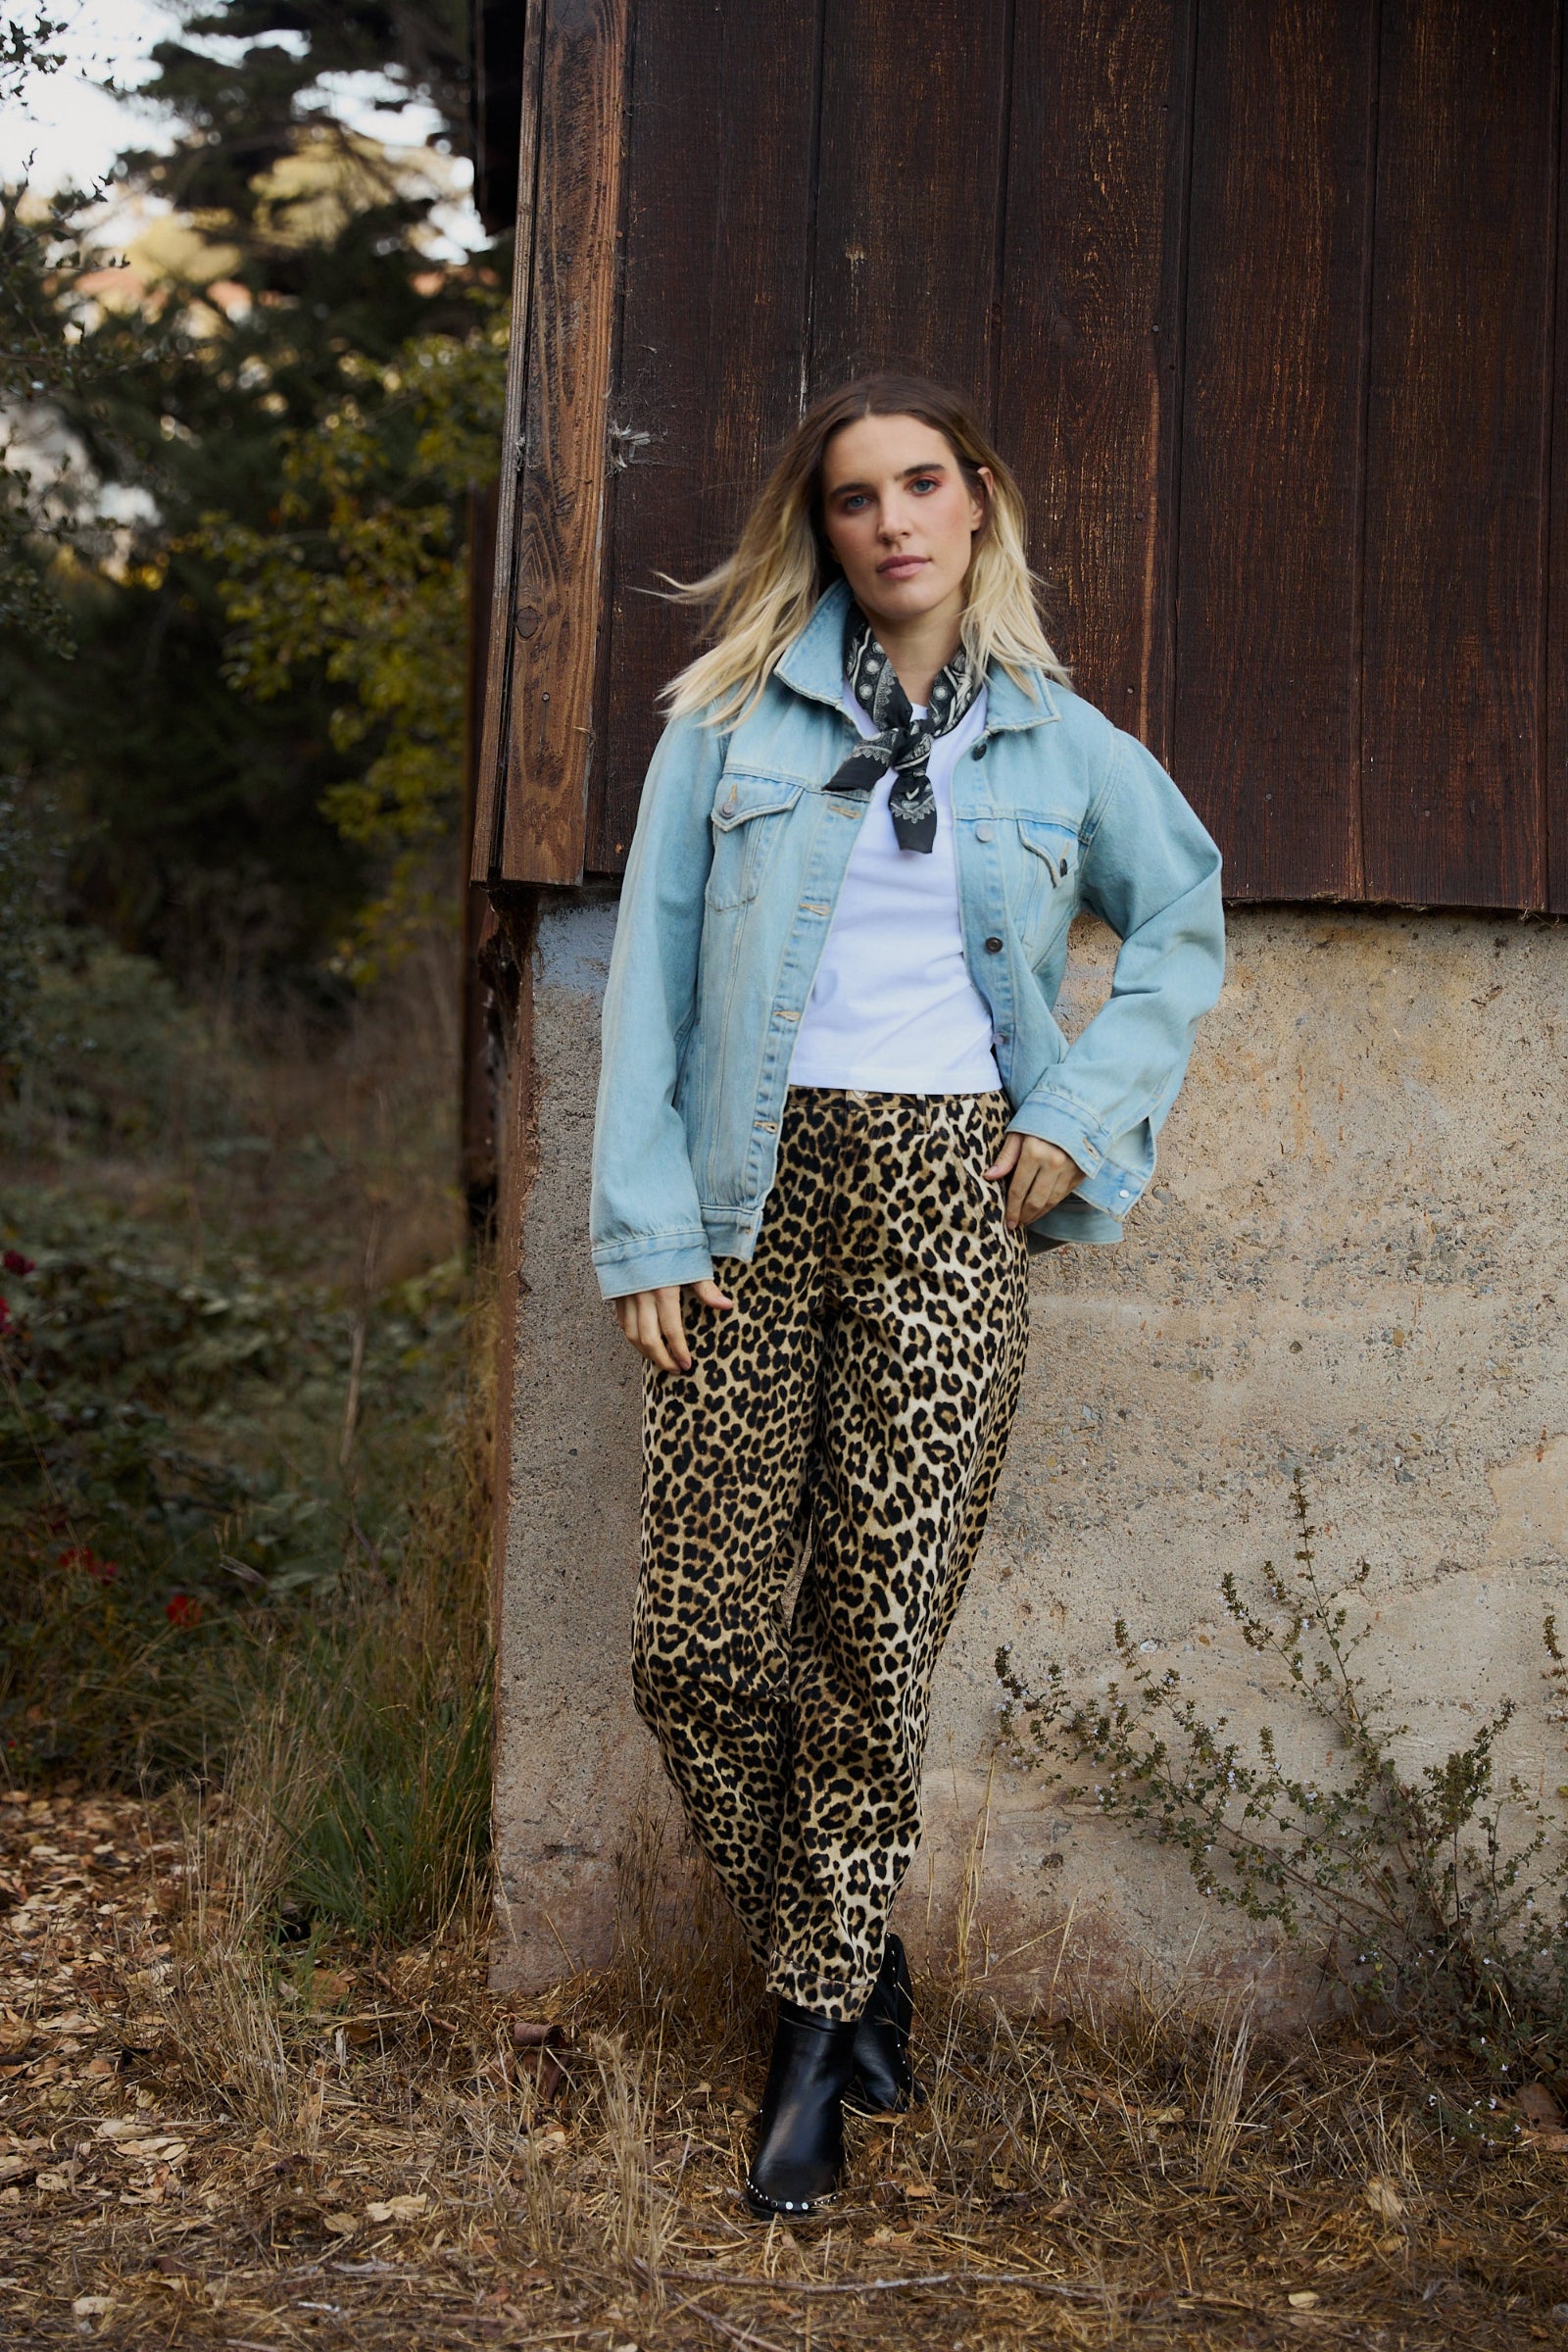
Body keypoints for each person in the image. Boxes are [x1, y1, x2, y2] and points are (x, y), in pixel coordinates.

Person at [589, 372, 1225, 2219]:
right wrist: (648, 1231)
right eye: (858, 496)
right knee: (697, 1646)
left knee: (873, 1647)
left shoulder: (1056, 741)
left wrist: (1083, 1117)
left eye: (923, 486)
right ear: (823, 525)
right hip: (748, 1193)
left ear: (979, 506)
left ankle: (806, 2049)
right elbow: (651, 981)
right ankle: (861, 1963)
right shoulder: (723, 726)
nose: (893, 523)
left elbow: (1180, 920)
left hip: (951, 1197)